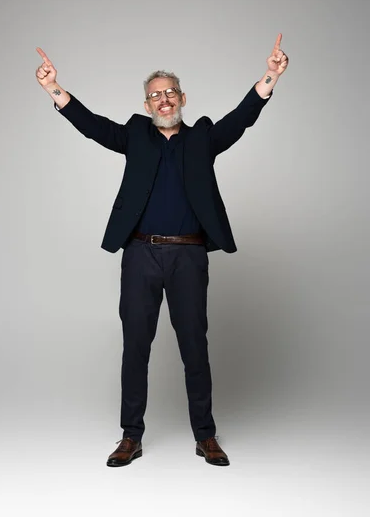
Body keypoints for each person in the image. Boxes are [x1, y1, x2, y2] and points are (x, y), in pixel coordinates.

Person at [35, 35, 289, 467]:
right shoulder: (136, 135)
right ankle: (130, 436)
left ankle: (205, 436)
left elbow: (242, 117)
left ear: (182, 97)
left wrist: (271, 75)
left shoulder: (204, 137)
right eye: (155, 95)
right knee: (135, 346)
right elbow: (94, 125)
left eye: (170, 92)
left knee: (195, 346)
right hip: (139, 256)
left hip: (189, 256)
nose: (163, 99)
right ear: (147, 104)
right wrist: (54, 90)